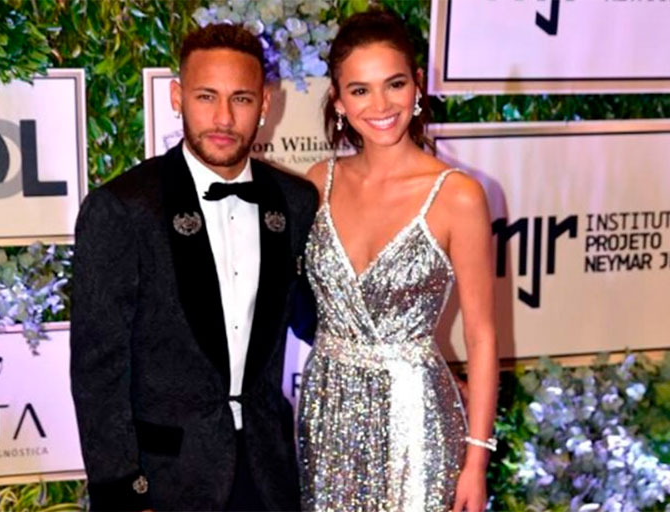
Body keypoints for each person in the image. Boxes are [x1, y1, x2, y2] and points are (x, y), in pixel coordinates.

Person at [71, 23, 318, 511]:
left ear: (265, 105)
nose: (223, 118)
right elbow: (98, 369)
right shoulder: (123, 208)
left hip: (269, 476)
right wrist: (122, 494)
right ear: (177, 97)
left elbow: (318, 319)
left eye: (241, 99)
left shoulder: (295, 202)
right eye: (207, 96)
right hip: (164, 481)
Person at [298, 10, 498, 512]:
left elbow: (481, 336)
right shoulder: (317, 183)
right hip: (327, 412)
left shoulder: (458, 196)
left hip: (417, 421)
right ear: (338, 100)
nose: (381, 105)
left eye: (395, 84)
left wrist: (476, 460)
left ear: (417, 85)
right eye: (360, 90)